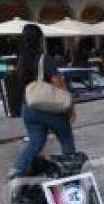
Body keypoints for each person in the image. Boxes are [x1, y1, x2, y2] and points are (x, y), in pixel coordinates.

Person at [8, 24, 76, 179]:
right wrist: (69, 105)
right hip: (48, 107)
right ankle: (71, 172)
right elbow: (56, 82)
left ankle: (16, 171)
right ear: (40, 40)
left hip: (29, 108)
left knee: (35, 141)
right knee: (66, 139)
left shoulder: (21, 61)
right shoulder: (43, 58)